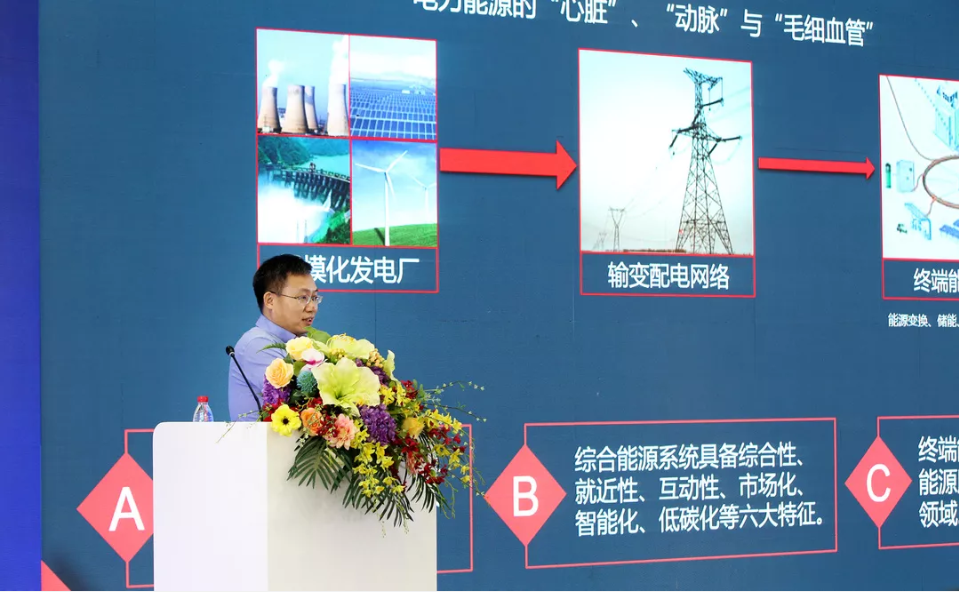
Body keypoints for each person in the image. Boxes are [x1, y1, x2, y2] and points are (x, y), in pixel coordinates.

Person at [228, 254, 321, 421]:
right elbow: (303, 403)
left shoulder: (298, 343)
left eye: (314, 298)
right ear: (270, 300)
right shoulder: (257, 344)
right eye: (303, 298)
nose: (312, 307)